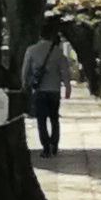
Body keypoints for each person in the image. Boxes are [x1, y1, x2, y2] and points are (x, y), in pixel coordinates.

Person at [18, 25, 74, 156]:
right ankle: (54, 144)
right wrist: (68, 87)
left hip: (39, 91)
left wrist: (24, 84)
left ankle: (45, 147)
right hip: (54, 90)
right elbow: (65, 71)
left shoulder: (31, 50)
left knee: (41, 120)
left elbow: (25, 71)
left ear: (40, 36)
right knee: (54, 118)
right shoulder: (58, 52)